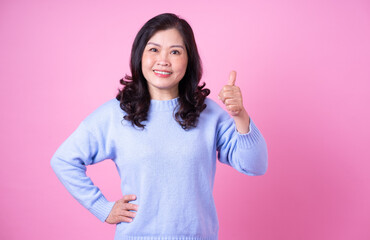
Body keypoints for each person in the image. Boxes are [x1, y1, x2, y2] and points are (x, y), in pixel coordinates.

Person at [50, 13, 268, 240]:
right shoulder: (115, 114)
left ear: (189, 60)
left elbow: (256, 165)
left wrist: (239, 115)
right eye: (154, 50)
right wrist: (102, 208)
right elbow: (64, 160)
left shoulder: (209, 113)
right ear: (140, 55)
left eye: (175, 51)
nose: (163, 60)